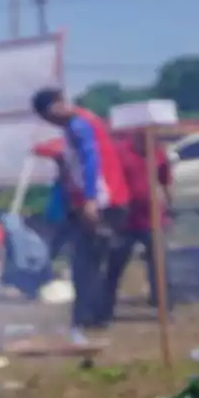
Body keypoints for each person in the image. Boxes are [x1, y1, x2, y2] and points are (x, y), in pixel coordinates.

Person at [30, 88, 130, 340]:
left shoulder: (78, 125)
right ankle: (93, 317)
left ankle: (86, 319)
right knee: (93, 261)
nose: (49, 122)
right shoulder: (83, 120)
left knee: (86, 263)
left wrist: (89, 200)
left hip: (101, 201)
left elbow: (90, 159)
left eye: (47, 116)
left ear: (54, 108)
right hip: (104, 200)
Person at [101, 131, 172, 319]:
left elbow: (164, 180)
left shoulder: (158, 153)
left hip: (153, 218)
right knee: (115, 265)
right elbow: (109, 179)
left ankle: (163, 306)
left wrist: (167, 202)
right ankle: (103, 310)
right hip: (125, 220)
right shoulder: (120, 152)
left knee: (159, 265)